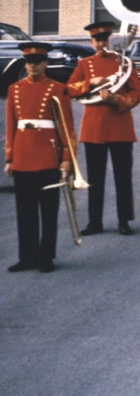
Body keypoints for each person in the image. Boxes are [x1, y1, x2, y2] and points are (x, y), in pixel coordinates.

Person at [5, 42, 77, 273]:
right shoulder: (14, 89)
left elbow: (67, 127)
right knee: (25, 211)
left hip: (48, 156)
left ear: (46, 63)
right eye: (29, 62)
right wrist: (9, 158)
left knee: (48, 211)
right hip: (22, 157)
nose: (33, 66)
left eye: (37, 62)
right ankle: (27, 257)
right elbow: (10, 126)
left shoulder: (58, 89)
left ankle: (46, 256)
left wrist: (67, 157)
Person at [66, 22, 140, 237]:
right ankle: (95, 222)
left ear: (111, 40)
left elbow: (137, 93)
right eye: (97, 40)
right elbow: (70, 89)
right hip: (95, 128)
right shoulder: (84, 64)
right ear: (91, 42)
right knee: (95, 178)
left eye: (104, 39)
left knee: (123, 177)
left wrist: (116, 100)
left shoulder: (125, 63)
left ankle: (124, 220)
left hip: (120, 126)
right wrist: (91, 82)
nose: (101, 44)